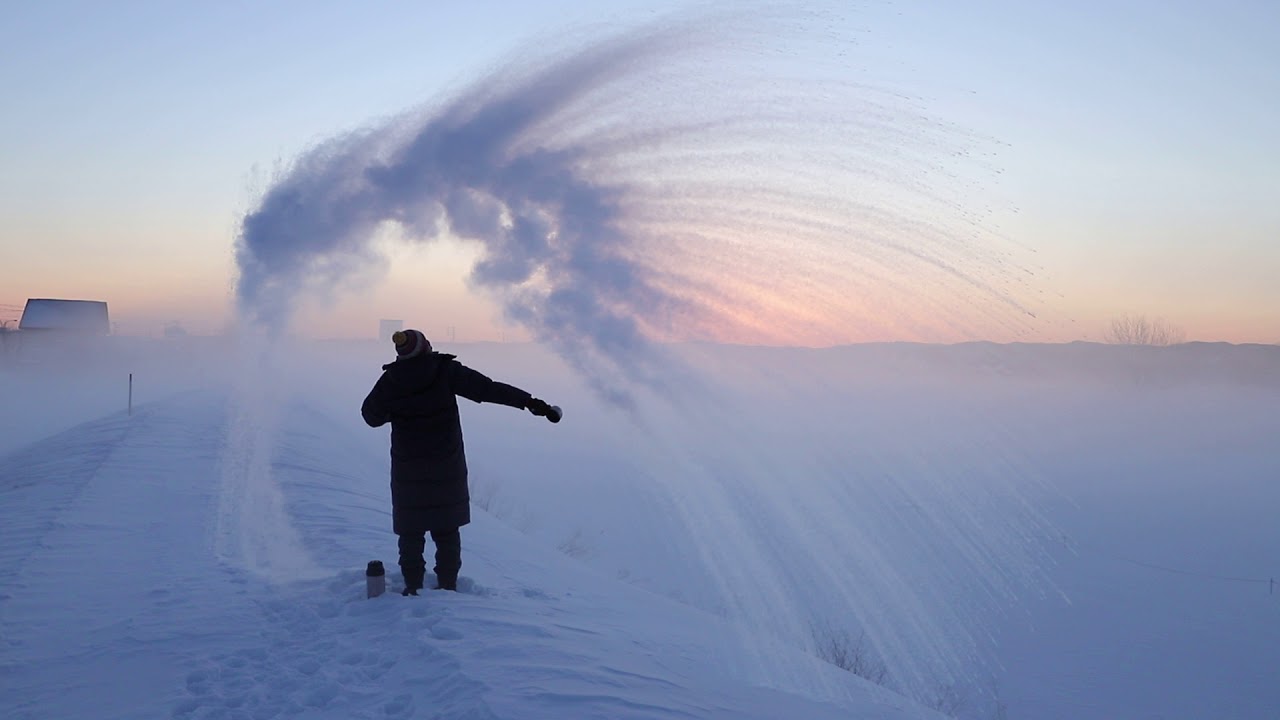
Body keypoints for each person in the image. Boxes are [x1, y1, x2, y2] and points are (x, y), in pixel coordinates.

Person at [361, 329, 558, 594]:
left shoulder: (391, 381)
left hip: (409, 468)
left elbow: (371, 416)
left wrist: (396, 407)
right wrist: (530, 402)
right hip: (446, 464)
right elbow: (488, 389)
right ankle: (448, 586)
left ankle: (412, 586)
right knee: (446, 528)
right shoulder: (445, 371)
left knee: (411, 531)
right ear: (425, 348)